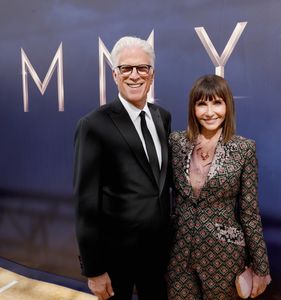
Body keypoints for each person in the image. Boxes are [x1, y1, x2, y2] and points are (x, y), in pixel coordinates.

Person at [73, 36, 172, 300]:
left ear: (152, 75)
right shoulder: (93, 125)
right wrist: (93, 269)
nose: (134, 76)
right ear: (115, 75)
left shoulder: (163, 117)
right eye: (126, 68)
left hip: (159, 256)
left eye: (142, 68)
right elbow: (85, 204)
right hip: (115, 260)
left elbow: (161, 185)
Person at [166, 74, 271, 299]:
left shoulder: (244, 149)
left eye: (217, 102)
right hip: (179, 254)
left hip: (224, 256)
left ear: (228, 106)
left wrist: (261, 267)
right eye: (202, 103)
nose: (209, 111)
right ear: (193, 108)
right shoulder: (176, 143)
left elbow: (250, 213)